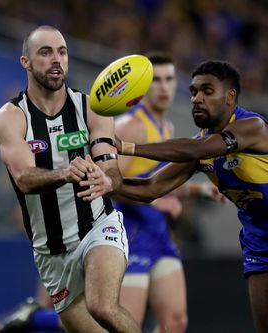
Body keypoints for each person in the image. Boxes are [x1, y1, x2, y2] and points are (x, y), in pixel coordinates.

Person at [77, 60, 268, 333]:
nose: (197, 98)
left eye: (207, 91)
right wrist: (106, 183)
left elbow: (195, 149)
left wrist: (126, 147)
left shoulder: (253, 128)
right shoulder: (201, 148)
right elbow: (151, 188)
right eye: (193, 92)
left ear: (230, 97)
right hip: (259, 240)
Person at [0, 25, 140, 333]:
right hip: (51, 251)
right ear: (26, 62)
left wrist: (108, 181)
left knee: (103, 306)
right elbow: (23, 178)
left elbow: (111, 169)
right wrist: (66, 173)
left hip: (98, 226)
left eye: (62, 52)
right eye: (45, 53)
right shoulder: (10, 117)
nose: (56, 59)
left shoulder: (92, 109)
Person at [114, 52, 222, 333]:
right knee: (128, 327)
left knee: (175, 322)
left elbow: (160, 181)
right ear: (143, 86)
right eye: (156, 80)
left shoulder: (167, 126)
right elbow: (111, 184)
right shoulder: (131, 126)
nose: (164, 87)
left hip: (157, 232)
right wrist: (157, 199)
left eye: (169, 79)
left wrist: (201, 190)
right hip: (129, 235)